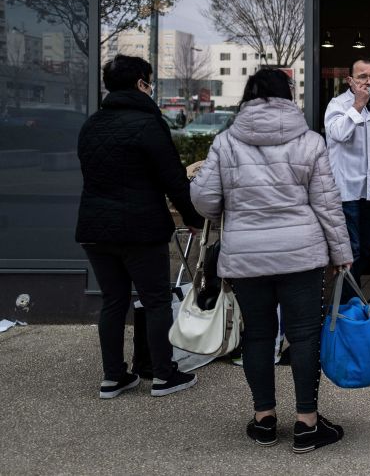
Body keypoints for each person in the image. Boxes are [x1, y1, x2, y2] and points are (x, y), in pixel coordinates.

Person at [191, 68, 352, 453]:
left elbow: (204, 200)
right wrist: (342, 254)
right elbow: (327, 206)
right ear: (288, 97)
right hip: (302, 256)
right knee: (304, 337)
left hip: (247, 259)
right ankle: (307, 425)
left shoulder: (226, 142)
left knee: (259, 336)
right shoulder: (310, 142)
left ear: (247, 97)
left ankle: (264, 421)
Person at [76, 54, 204, 400]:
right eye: (149, 82)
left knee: (113, 301)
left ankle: (113, 377)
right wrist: (194, 219)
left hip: (95, 229)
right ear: (140, 84)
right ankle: (163, 375)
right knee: (156, 300)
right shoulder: (149, 124)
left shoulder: (91, 125)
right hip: (140, 229)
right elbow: (174, 180)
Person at [324, 57, 370, 296]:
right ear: (349, 80)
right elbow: (338, 134)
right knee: (349, 252)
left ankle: (353, 301)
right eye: (362, 77)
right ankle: (345, 307)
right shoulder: (337, 105)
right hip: (345, 192)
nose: (369, 81)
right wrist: (358, 106)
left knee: (364, 250)